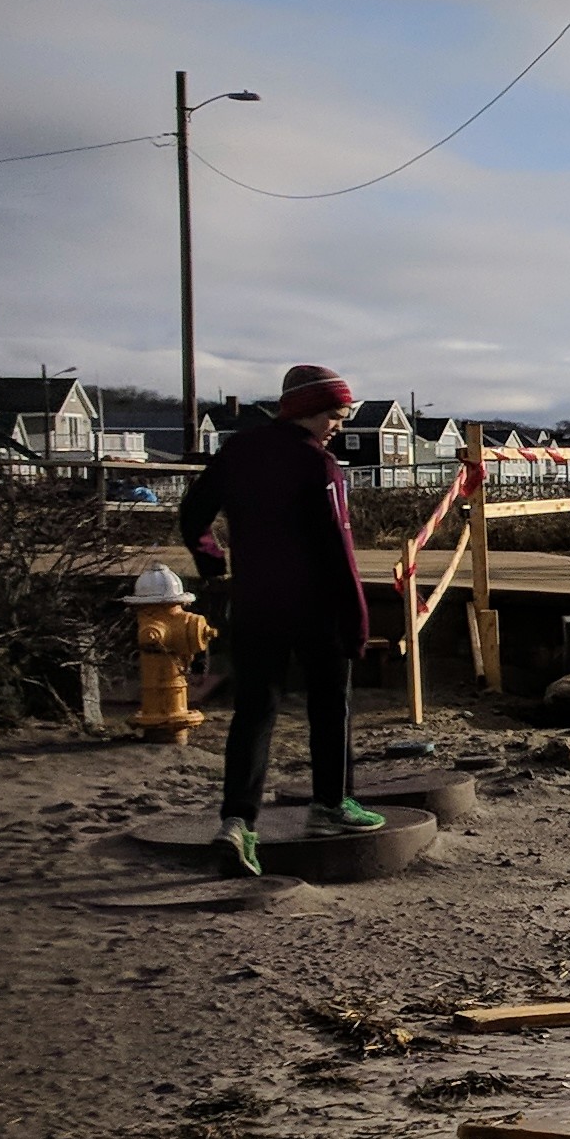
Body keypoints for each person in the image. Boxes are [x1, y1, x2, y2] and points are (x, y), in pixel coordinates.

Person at [181, 362, 382, 875]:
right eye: (335, 415)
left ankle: (237, 822)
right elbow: (339, 552)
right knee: (330, 705)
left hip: (255, 603)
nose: (338, 425)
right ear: (312, 412)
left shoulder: (239, 451)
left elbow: (192, 514)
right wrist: (357, 621)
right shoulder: (319, 467)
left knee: (254, 712)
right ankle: (330, 805)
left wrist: (213, 564)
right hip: (318, 607)